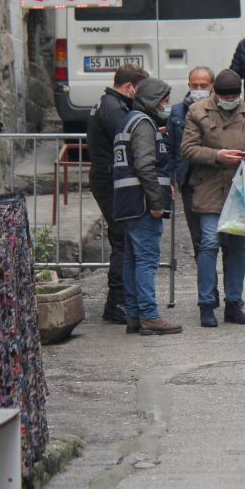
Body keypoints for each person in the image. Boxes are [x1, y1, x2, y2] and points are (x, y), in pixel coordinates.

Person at [181, 68, 245, 328]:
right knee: (209, 243)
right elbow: (187, 149)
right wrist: (216, 156)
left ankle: (234, 303)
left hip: (240, 191)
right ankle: (206, 304)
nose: (229, 99)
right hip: (209, 188)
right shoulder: (197, 112)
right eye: (225, 95)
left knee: (238, 247)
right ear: (215, 93)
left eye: (234, 96)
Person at [111, 77, 181, 335]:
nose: (167, 105)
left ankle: (135, 315)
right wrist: (156, 202)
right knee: (146, 261)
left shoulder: (128, 121)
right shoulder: (143, 124)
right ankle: (149, 316)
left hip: (128, 203)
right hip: (142, 204)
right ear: (153, 100)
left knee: (132, 260)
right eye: (164, 100)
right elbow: (144, 165)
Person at [86, 63, 148, 324]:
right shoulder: (113, 108)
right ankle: (117, 302)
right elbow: (126, 139)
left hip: (107, 178)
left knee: (120, 238)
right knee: (122, 239)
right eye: (139, 90)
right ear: (129, 86)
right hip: (110, 180)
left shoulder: (108, 104)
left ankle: (121, 299)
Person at [166, 66, 220, 259]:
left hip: (216, 180)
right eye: (195, 85)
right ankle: (207, 286)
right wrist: (172, 178)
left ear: (212, 87)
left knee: (221, 239)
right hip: (189, 181)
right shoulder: (177, 112)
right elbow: (171, 148)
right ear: (189, 85)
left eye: (203, 85)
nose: (198, 89)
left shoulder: (221, 110)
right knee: (199, 239)